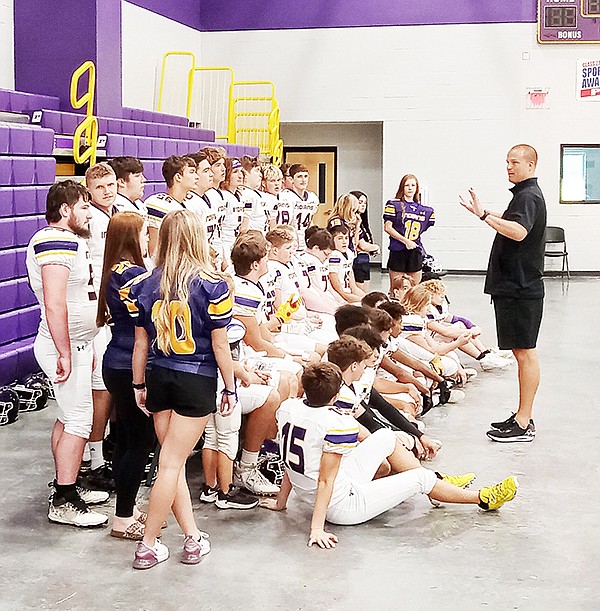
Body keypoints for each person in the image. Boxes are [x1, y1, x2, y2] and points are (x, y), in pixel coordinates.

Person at [267, 363, 518, 548]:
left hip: (321, 490)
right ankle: (483, 499)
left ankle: (439, 487)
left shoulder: (289, 409)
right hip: (341, 505)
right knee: (420, 478)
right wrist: (317, 529)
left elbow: (289, 460)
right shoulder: (335, 424)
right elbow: (325, 481)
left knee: (386, 436)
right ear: (335, 395)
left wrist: (281, 502)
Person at [130, 209, 236, 569]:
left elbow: (140, 345)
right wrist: (231, 388)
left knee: (168, 464)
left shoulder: (143, 284)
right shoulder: (213, 283)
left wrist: (138, 384)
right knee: (170, 465)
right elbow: (221, 346)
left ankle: (192, 537)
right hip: (196, 378)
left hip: (159, 376)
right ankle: (147, 544)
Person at [26, 180, 108, 527]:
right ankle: (63, 497)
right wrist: (64, 351)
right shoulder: (54, 239)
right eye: (84, 206)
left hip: (78, 343)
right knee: (78, 420)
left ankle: (67, 481)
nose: (90, 213)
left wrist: (83, 344)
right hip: (65, 345)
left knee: (69, 415)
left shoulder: (71, 240)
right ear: (65, 210)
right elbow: (55, 303)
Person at [460, 144, 546, 442]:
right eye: (506, 162)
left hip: (521, 288)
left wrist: (484, 216)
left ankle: (523, 422)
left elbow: (519, 231)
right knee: (521, 352)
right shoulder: (523, 196)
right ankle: (522, 416)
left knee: (525, 353)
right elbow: (514, 223)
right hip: (515, 287)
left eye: (515, 162)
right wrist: (484, 212)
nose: (508, 167)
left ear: (531, 165)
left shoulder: (528, 196)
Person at [96, 212, 155, 539]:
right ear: (133, 237)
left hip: (115, 361)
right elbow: (146, 322)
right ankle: (122, 519)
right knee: (140, 443)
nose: (148, 239)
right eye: (145, 234)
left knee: (125, 440)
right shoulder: (133, 274)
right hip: (131, 364)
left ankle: (127, 508)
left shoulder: (113, 270)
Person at [85, 162, 120, 490]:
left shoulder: (117, 212)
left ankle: (102, 447)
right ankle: (93, 458)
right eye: (100, 187)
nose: (107, 191)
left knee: (108, 385)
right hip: (98, 313)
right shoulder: (90, 220)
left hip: (114, 310)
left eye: (110, 184)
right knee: (99, 388)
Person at [383, 174, 435, 287]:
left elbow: (422, 228)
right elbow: (387, 227)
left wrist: (412, 242)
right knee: (396, 287)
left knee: (414, 289)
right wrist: (405, 241)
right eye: (407, 185)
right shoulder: (394, 205)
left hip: (414, 251)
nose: (410, 188)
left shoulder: (425, 210)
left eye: (413, 185)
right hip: (398, 250)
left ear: (417, 188)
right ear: (402, 187)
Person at [144, 155, 199, 256]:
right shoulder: (158, 204)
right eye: (191, 172)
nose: (197, 176)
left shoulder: (191, 204)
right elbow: (154, 250)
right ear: (178, 177)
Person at [350, 190, 380, 291]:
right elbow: (361, 245)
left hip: (364, 259)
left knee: (364, 291)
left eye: (365, 203)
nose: (363, 205)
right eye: (360, 202)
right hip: (357, 260)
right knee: (359, 292)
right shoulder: (353, 221)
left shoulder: (362, 221)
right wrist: (375, 247)